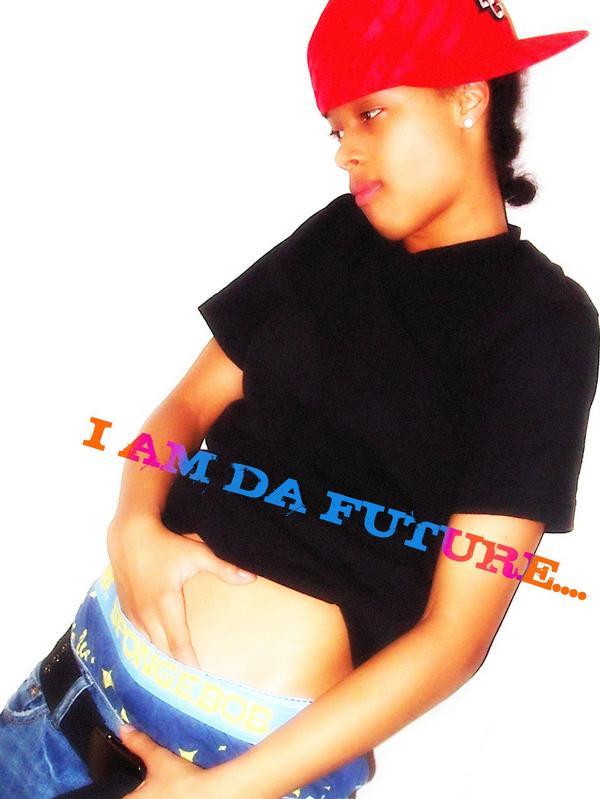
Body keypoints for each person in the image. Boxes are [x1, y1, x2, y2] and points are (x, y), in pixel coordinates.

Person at [1, 1, 598, 797]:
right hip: (67, 689)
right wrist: (132, 523)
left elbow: (455, 638)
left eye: (371, 114)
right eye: (336, 127)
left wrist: (219, 793)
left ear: (467, 98)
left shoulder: (542, 324)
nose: (347, 149)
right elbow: (185, 409)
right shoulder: (336, 240)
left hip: (230, 773)